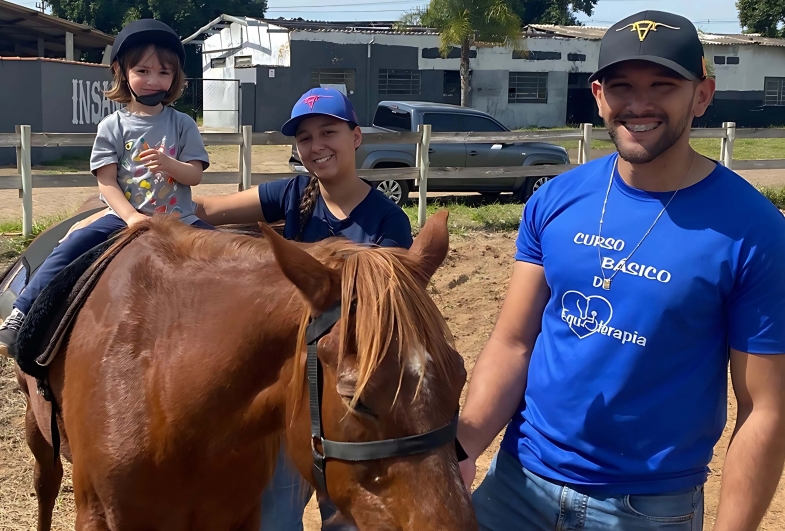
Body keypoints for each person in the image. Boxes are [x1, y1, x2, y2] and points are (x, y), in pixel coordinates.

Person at [456, 10, 785, 531]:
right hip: (518, 487)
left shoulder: (753, 230)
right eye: (622, 86)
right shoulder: (557, 200)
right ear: (599, 95)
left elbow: (764, 409)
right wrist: (465, 444)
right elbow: (513, 341)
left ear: (702, 95)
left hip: (648, 509)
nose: (639, 104)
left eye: (663, 85)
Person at [193, 86, 413, 529]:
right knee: (274, 516)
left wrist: (292, 257)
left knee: (351, 514)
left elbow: (378, 311)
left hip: (351, 395)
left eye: (328, 132)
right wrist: (143, 206)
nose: (316, 146)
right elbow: (208, 211)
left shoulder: (389, 222)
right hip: (292, 390)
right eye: (305, 138)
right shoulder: (292, 193)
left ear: (355, 137)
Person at [0, 19, 213, 358]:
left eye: (164, 72)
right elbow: (107, 182)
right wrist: (130, 218)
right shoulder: (112, 126)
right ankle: (21, 311)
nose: (153, 80)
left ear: (175, 78)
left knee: (228, 249)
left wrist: (169, 164)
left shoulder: (182, 123)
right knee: (70, 246)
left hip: (179, 216)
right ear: (121, 71)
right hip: (122, 216)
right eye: (143, 70)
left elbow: (194, 176)